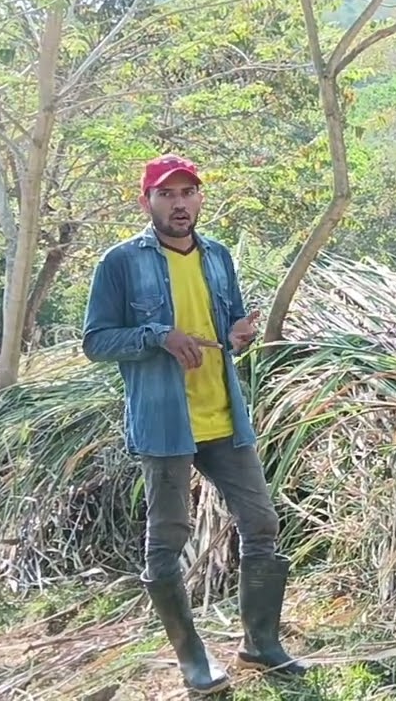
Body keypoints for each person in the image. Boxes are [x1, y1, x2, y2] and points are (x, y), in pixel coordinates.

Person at [82, 154, 307, 694]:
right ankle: (194, 662)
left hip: (224, 416)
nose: (179, 203)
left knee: (261, 524)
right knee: (167, 542)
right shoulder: (120, 262)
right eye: (167, 194)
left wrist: (238, 334)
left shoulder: (218, 257)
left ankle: (261, 645)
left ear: (199, 199)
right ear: (146, 202)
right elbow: (95, 341)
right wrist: (157, 335)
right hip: (165, 424)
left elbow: (226, 326)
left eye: (188, 193)